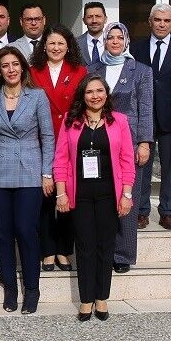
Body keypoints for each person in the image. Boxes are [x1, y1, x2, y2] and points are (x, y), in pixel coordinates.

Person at [0, 46, 54, 314]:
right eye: (5, 65)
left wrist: (47, 172)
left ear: (22, 67)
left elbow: (48, 136)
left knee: (26, 229)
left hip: (30, 171)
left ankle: (32, 289)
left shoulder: (37, 96)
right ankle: (9, 287)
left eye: (15, 64)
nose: (11, 70)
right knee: (3, 232)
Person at [54, 74, 136, 321]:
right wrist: (61, 193)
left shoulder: (119, 121)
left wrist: (127, 195)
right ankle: (86, 299)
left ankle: (102, 297)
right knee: (85, 246)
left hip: (109, 194)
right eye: (90, 91)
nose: (95, 96)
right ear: (83, 95)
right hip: (80, 194)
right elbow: (61, 160)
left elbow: (127, 160)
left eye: (100, 91)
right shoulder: (70, 121)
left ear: (106, 94)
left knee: (105, 246)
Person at [87, 22, 153, 272]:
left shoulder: (141, 70)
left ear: (126, 41)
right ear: (104, 41)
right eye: (110, 37)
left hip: (130, 141)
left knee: (128, 196)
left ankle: (123, 255)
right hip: (99, 139)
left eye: (119, 37)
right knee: (102, 197)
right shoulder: (92, 69)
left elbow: (146, 109)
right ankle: (101, 250)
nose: (114, 41)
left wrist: (144, 142)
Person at [130, 3, 171, 231]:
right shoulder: (136, 48)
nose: (162, 24)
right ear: (150, 22)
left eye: (166, 21)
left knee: (169, 167)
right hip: (143, 117)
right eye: (158, 20)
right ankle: (142, 211)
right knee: (143, 165)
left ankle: (166, 212)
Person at [29, 23, 85, 272]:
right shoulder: (33, 71)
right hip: (40, 139)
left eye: (61, 43)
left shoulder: (79, 71)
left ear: (68, 46)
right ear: (44, 46)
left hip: (70, 138)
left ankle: (64, 250)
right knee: (45, 197)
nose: (56, 47)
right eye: (51, 43)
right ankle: (47, 250)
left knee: (68, 195)